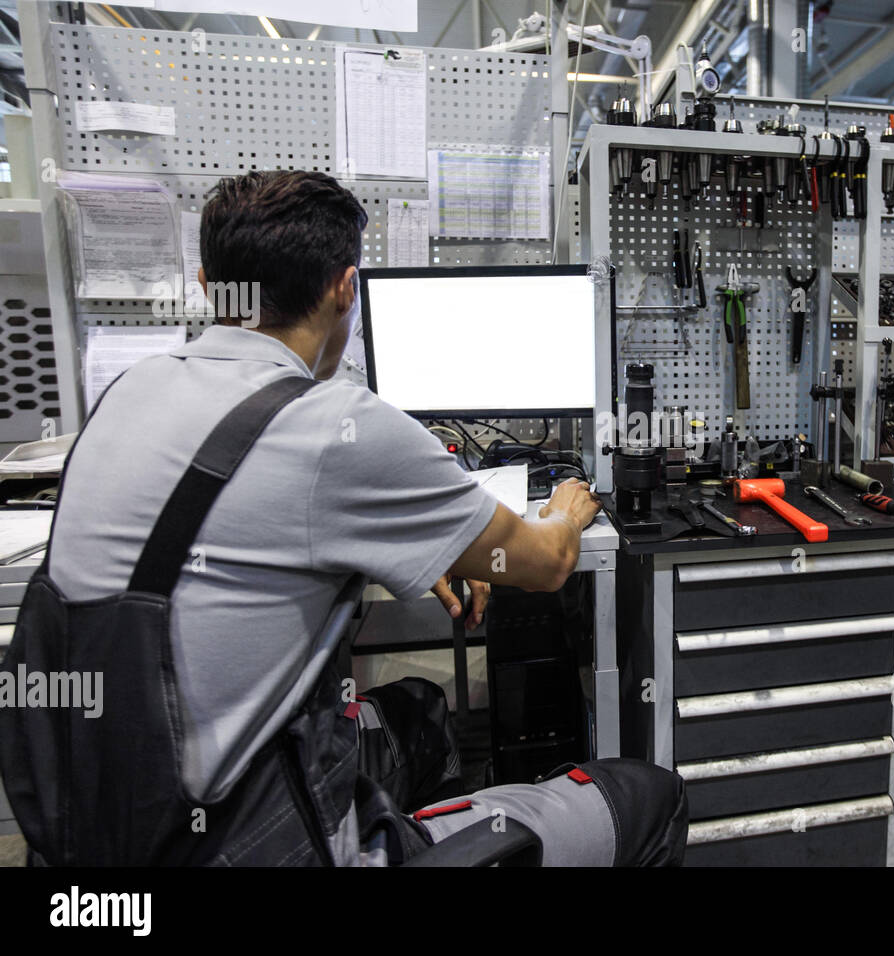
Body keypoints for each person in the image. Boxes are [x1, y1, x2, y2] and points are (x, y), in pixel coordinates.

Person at [0, 169, 686, 867]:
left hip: (95, 836)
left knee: (423, 711)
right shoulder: (333, 426)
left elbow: (257, 541)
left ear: (209, 284)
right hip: (254, 846)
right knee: (648, 796)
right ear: (345, 290)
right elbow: (547, 566)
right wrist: (566, 511)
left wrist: (434, 541)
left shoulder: (130, 391)